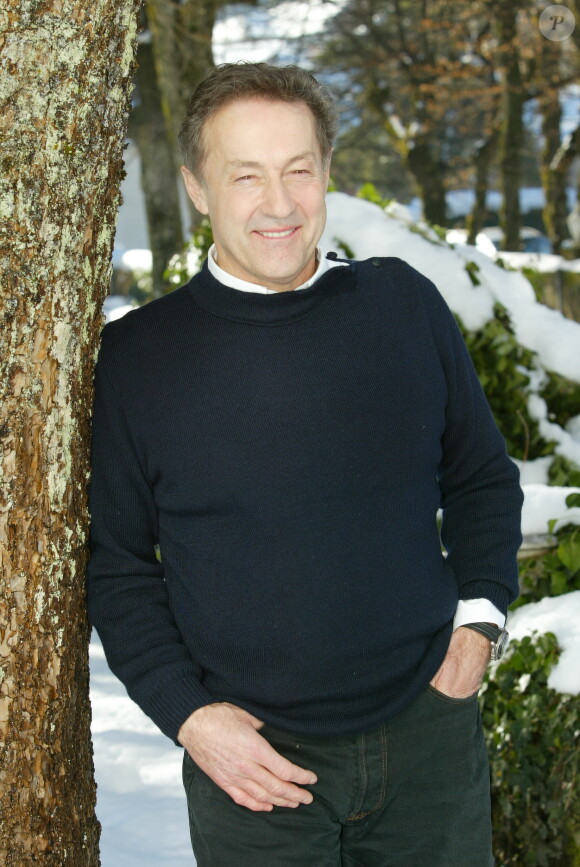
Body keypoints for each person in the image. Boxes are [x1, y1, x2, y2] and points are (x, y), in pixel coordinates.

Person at [87, 62, 523, 866]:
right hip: (255, 766)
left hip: (428, 732)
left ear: (327, 172)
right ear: (196, 186)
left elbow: (482, 478)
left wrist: (480, 623)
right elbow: (116, 568)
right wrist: (192, 717)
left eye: (298, 170)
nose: (279, 204)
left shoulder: (403, 305)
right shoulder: (137, 358)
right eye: (245, 176)